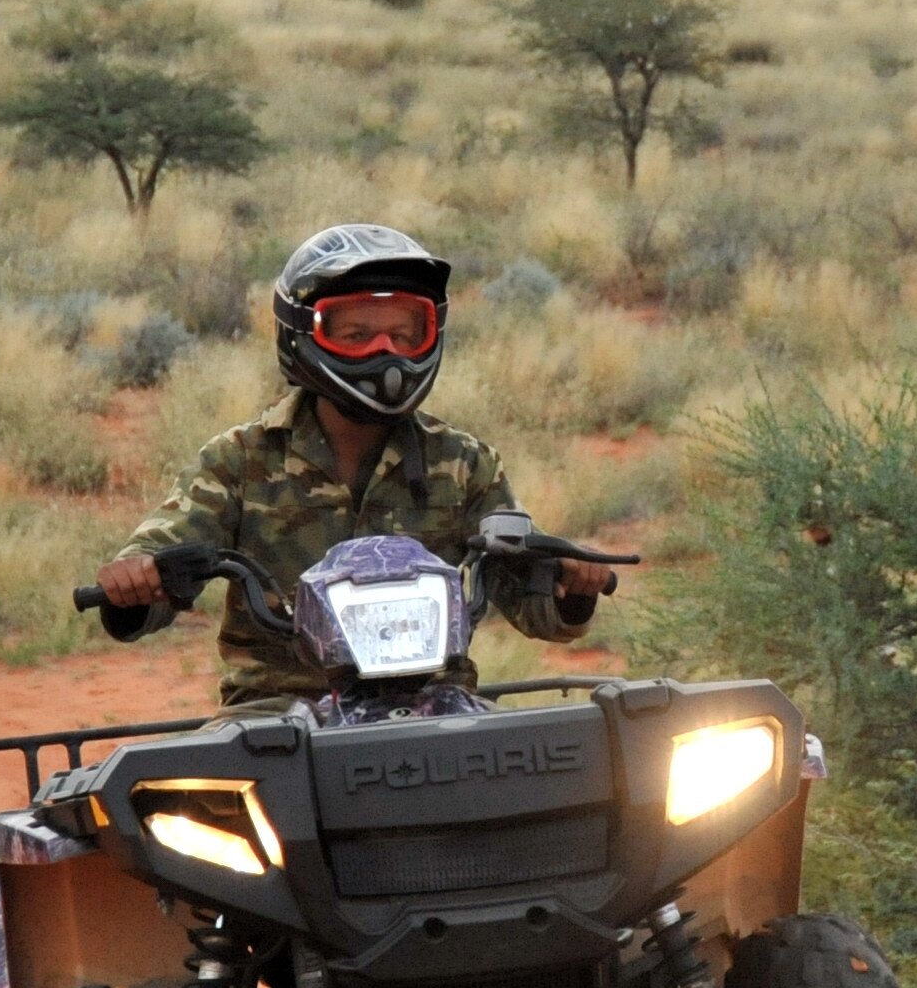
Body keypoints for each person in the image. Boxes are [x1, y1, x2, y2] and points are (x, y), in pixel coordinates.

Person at [96, 223, 610, 708]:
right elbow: (155, 559)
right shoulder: (241, 459)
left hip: (438, 706)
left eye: (406, 335)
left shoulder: (463, 463)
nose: (385, 353)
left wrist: (573, 588)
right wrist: (135, 584)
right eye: (357, 334)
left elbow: (533, 602)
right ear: (301, 333)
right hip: (275, 712)